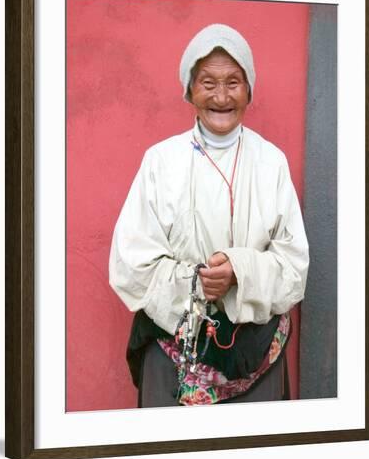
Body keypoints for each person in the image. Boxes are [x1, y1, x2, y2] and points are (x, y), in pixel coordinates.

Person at [109, 23, 309, 407]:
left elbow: (294, 268)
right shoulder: (161, 161)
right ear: (190, 90)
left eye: (233, 82)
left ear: (249, 89)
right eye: (208, 82)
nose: (221, 96)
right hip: (173, 352)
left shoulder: (271, 163)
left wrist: (239, 271)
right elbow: (130, 265)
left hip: (256, 354)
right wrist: (196, 284)